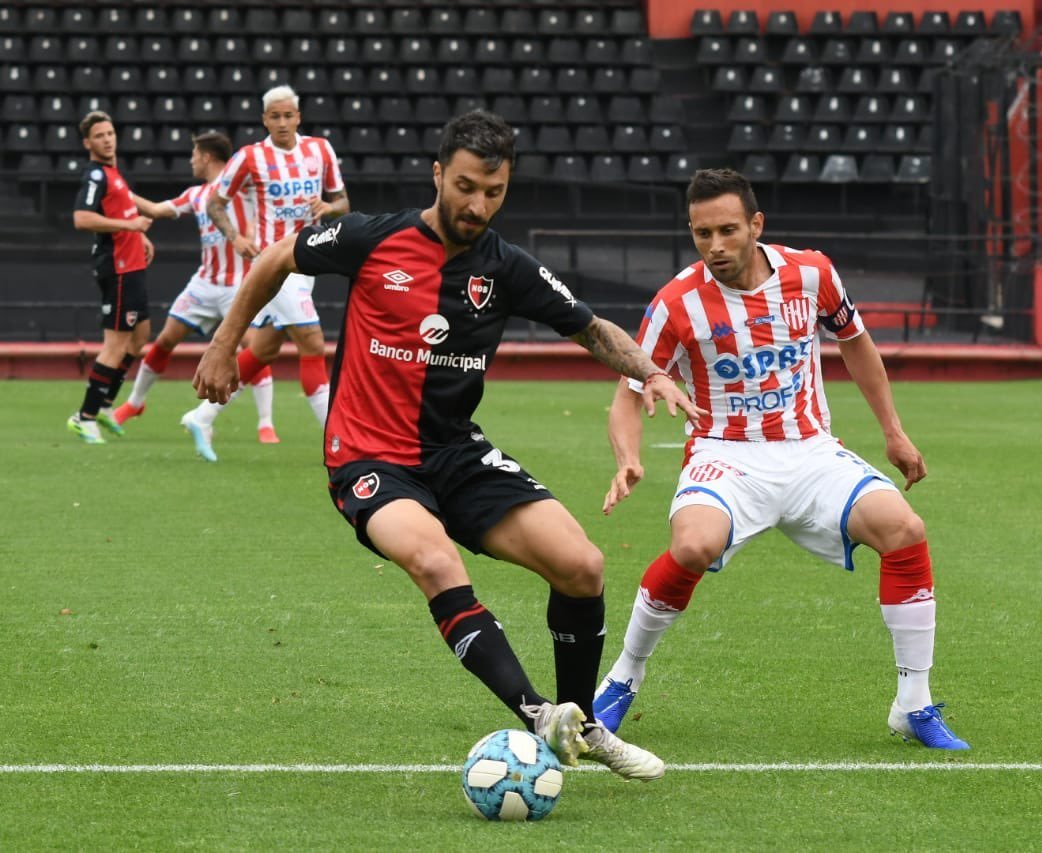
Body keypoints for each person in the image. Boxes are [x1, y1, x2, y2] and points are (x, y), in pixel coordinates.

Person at [192, 110, 703, 778]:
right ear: (438, 174)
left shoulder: (506, 268)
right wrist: (226, 342)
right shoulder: (372, 237)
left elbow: (591, 327)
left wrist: (653, 371)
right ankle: (537, 713)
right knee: (435, 561)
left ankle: (582, 725)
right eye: (465, 186)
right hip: (369, 456)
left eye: (494, 191)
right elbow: (274, 258)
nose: (477, 204)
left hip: (456, 453)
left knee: (582, 565)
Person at [592, 168, 970, 750]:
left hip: (811, 450)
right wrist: (628, 457)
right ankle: (624, 676)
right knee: (693, 545)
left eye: (727, 230)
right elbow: (627, 394)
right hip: (726, 455)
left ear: (756, 225)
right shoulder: (677, 302)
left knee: (905, 529)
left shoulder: (813, 274)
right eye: (701, 234)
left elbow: (857, 345)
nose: (715, 246)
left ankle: (913, 704)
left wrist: (893, 433)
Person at [180, 85, 348, 461]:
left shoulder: (320, 150)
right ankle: (340, 444)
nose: (283, 123)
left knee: (264, 349)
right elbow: (214, 201)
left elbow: (343, 201)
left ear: (299, 117)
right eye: (276, 116)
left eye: (289, 116)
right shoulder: (250, 157)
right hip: (275, 265)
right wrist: (235, 236)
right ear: (265, 120)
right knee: (313, 343)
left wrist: (328, 206)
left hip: (309, 263)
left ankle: (202, 415)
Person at [116, 131, 278, 443]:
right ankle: (134, 404)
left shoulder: (242, 186)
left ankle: (265, 423)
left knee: (254, 347)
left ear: (205, 157)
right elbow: (155, 210)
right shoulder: (195, 195)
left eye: (193, 154)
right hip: (204, 284)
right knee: (165, 340)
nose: (190, 160)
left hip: (239, 285)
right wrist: (119, 189)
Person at [67, 110, 155, 444]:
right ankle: (84, 416)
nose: (107, 139)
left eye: (110, 133)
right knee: (116, 343)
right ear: (88, 142)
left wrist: (140, 237)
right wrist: (130, 228)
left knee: (140, 335)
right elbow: (81, 218)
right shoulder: (94, 175)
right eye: (99, 135)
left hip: (132, 265)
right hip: (117, 268)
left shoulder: (112, 173)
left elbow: (122, 211)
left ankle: (104, 403)